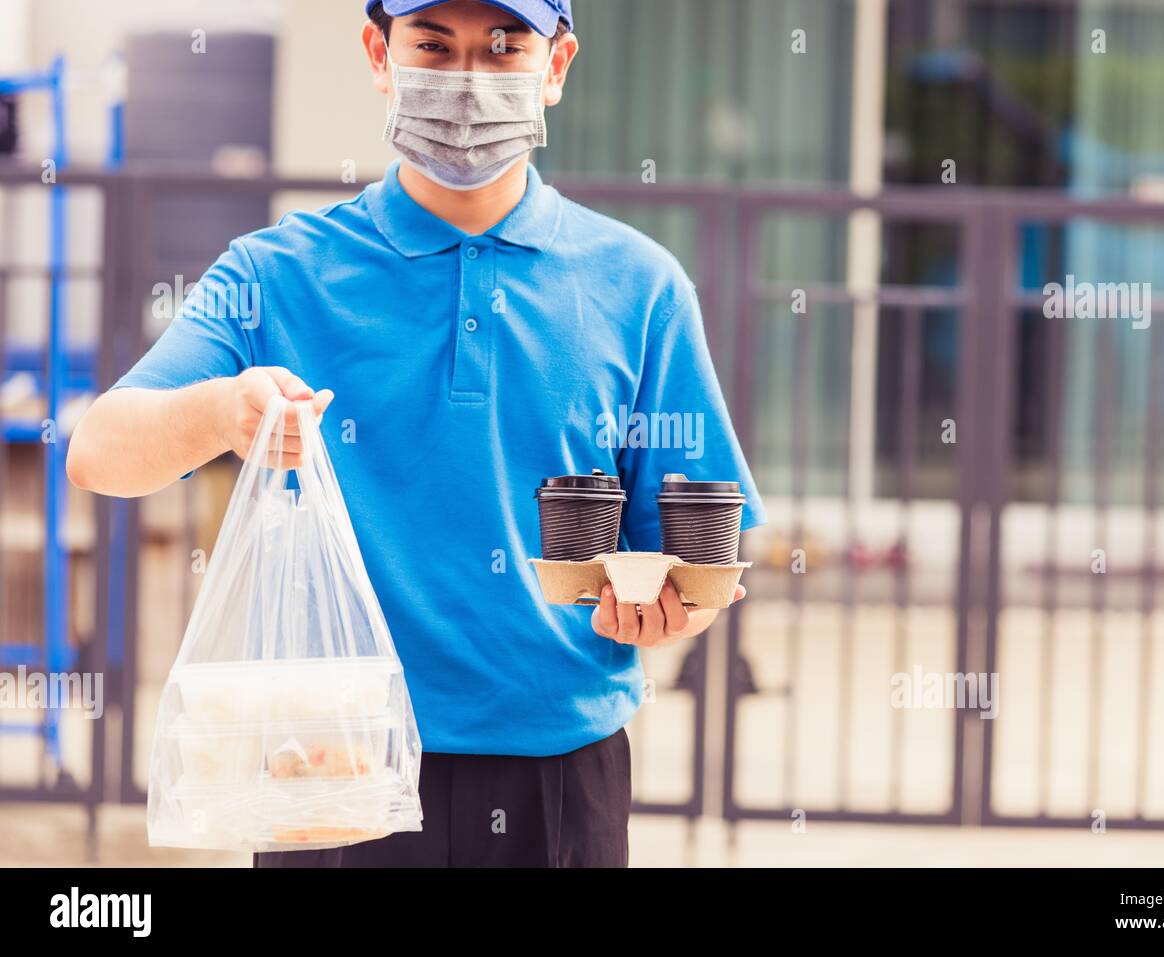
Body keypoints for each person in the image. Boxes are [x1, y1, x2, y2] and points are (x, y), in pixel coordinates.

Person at [67, 0, 765, 867]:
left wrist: (668, 615)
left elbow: (694, 560)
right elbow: (99, 451)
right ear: (378, 51)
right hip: (331, 770)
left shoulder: (640, 289)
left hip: (558, 782)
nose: (466, 82)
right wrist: (220, 411)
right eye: (434, 46)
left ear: (556, 66)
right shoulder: (274, 273)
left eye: (503, 49)